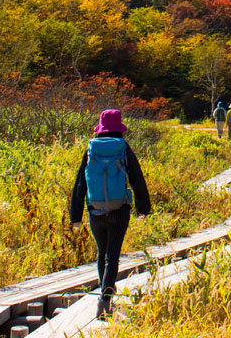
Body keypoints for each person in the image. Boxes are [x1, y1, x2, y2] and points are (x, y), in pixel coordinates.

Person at [70, 109, 152, 321]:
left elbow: (80, 183)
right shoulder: (123, 149)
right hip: (119, 209)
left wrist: (75, 216)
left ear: (100, 128)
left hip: (95, 210)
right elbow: (137, 179)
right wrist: (143, 209)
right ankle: (105, 301)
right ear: (119, 128)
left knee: (101, 252)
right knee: (112, 255)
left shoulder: (90, 150)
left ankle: (105, 295)